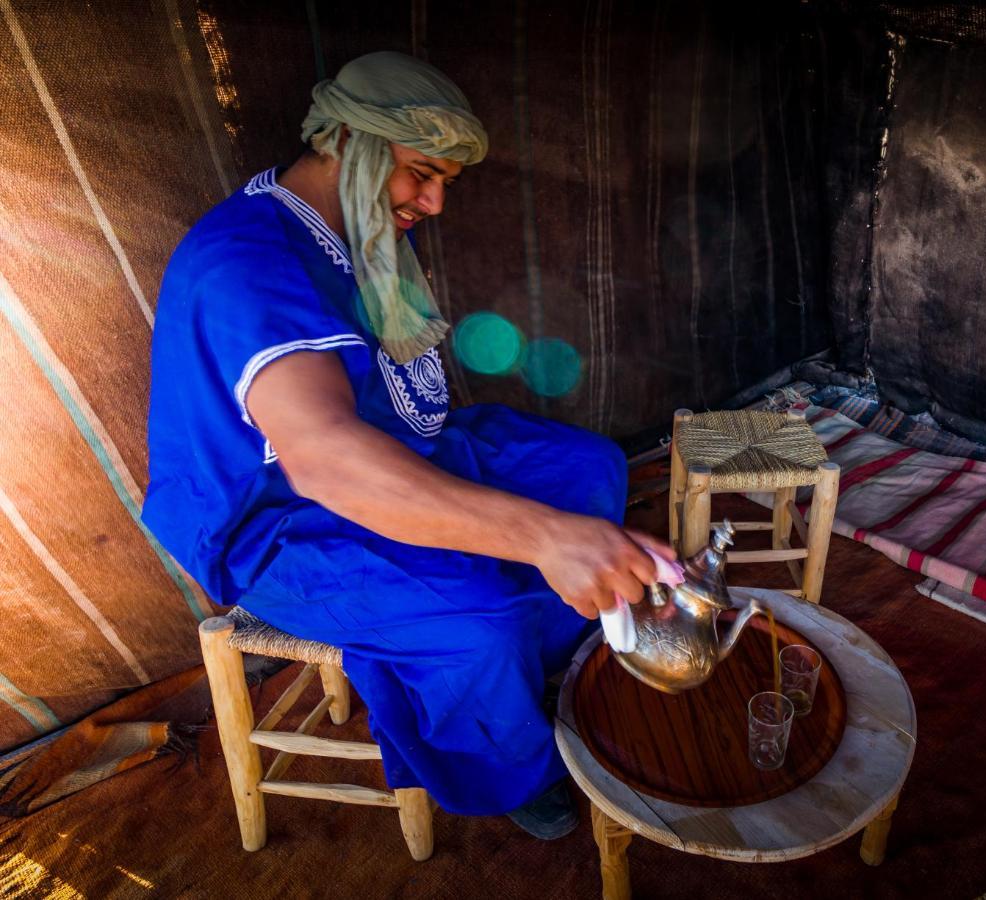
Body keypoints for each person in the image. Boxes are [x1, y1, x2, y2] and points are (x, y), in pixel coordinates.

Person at [142, 51, 670, 839]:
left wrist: (549, 522)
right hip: (279, 520)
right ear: (347, 143)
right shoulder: (246, 265)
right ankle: (512, 763)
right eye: (422, 173)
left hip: (402, 447)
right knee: (475, 623)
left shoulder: (360, 221)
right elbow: (323, 459)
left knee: (585, 465)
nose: (434, 201)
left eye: (446, 182)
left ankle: (535, 657)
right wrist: (542, 534)